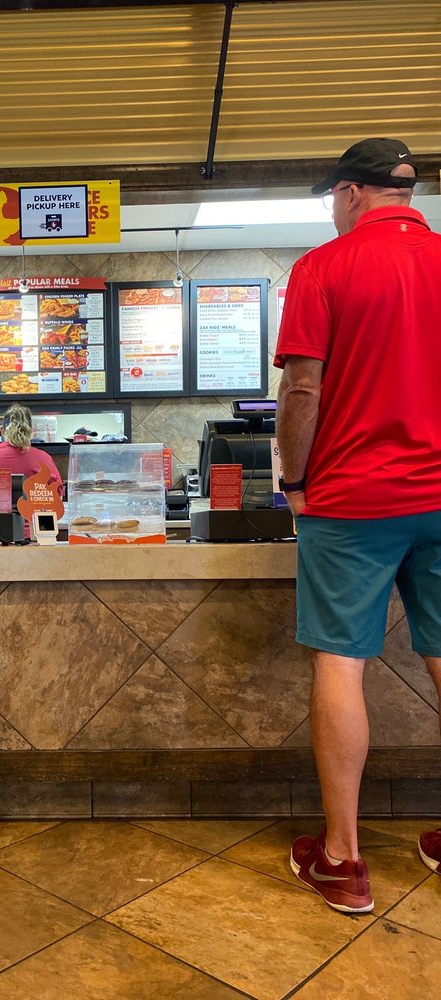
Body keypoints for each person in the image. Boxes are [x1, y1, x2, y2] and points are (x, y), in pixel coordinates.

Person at [274, 137, 441, 915]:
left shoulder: (323, 267)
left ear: (348, 193)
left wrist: (296, 482)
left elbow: (303, 392)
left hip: (351, 499)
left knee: (342, 661)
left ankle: (341, 860)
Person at [0, 403, 63, 493]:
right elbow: (57, 492)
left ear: (2, 430)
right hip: (34, 507)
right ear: (31, 430)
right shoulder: (43, 458)